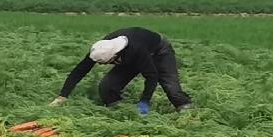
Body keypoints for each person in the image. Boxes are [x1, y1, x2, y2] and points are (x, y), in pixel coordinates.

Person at [52, 29, 192, 114]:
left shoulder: (136, 50)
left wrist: (144, 101)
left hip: (159, 50)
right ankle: (122, 112)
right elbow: (79, 71)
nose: (101, 65)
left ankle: (187, 111)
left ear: (114, 57)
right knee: (107, 87)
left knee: (171, 88)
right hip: (127, 56)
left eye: (104, 63)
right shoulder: (101, 48)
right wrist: (63, 96)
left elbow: (152, 75)